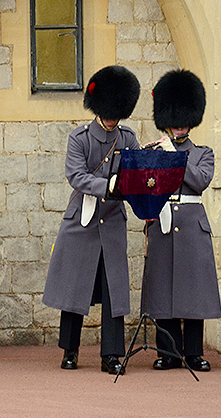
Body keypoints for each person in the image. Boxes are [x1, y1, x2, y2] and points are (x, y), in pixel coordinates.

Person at [42, 65, 140, 374]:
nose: (111, 120)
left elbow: (135, 174)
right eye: (108, 114)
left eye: (116, 115)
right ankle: (69, 350)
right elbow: (76, 176)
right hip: (81, 221)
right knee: (74, 287)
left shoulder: (127, 138)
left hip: (112, 220)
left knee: (114, 289)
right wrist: (108, 185)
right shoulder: (80, 138)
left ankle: (111, 354)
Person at [143, 69, 221, 372]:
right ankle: (168, 352)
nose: (179, 125)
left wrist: (174, 155)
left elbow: (199, 181)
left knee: (193, 292)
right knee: (163, 290)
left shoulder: (202, 153)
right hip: (162, 225)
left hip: (191, 226)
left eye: (184, 120)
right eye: (174, 120)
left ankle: (194, 353)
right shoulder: (154, 152)